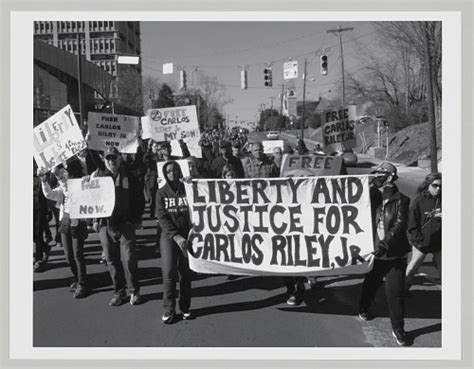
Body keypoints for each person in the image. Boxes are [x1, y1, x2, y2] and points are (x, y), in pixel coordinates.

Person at [358, 161, 413, 346]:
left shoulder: (402, 200)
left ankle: (398, 328)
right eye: (375, 175)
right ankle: (363, 308)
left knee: (395, 293)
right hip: (374, 253)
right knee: (370, 285)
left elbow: (399, 226)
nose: (376, 178)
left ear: (389, 177)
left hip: (394, 254)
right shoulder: (369, 195)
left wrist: (384, 244)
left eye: (380, 175)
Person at [91, 147, 141, 307]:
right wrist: (94, 219)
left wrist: (136, 219)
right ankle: (119, 292)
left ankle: (134, 291)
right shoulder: (99, 176)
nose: (111, 161)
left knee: (129, 259)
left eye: (114, 158)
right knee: (111, 260)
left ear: (120, 158)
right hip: (106, 225)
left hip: (125, 224)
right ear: (104, 160)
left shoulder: (130, 175)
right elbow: (92, 198)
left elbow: (139, 197)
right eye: (108, 159)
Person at [38, 162, 90, 298]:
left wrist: (60, 177)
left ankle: (83, 284)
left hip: (78, 222)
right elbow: (49, 194)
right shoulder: (62, 189)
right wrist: (43, 180)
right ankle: (77, 277)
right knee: (68, 255)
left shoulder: (80, 185)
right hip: (65, 222)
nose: (63, 176)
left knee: (78, 254)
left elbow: (69, 191)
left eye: (64, 174)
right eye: (61, 175)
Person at [156, 161, 193, 324]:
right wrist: (177, 237)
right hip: (169, 237)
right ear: (165, 174)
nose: (172, 172)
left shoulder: (188, 189)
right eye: (169, 170)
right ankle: (168, 309)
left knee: (186, 272)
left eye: (175, 169)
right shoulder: (161, 193)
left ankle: (185, 307)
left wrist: (194, 183)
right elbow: (162, 218)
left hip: (188, 235)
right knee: (169, 272)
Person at [405, 173, 442, 292]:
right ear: (428, 185)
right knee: (413, 267)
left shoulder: (445, 199)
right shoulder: (419, 200)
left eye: (441, 186)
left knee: (444, 269)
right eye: (435, 185)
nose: (438, 189)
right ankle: (402, 290)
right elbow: (412, 222)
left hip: (439, 241)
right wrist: (417, 239)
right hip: (422, 241)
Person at [33, 161, 51, 272]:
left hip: (40, 207)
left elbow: (46, 192)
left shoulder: (41, 175)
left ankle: (38, 259)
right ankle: (46, 247)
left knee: (38, 233)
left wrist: (48, 209)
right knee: (32, 235)